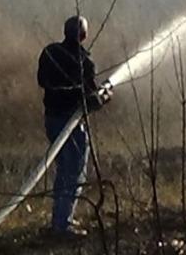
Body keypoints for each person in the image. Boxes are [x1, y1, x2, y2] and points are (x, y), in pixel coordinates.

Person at [36, 15, 106, 237]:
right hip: (71, 124)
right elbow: (90, 101)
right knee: (73, 171)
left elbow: (42, 81)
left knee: (63, 170)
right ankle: (62, 225)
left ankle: (60, 219)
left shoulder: (49, 52)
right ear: (84, 36)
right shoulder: (85, 62)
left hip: (52, 120)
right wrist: (104, 96)